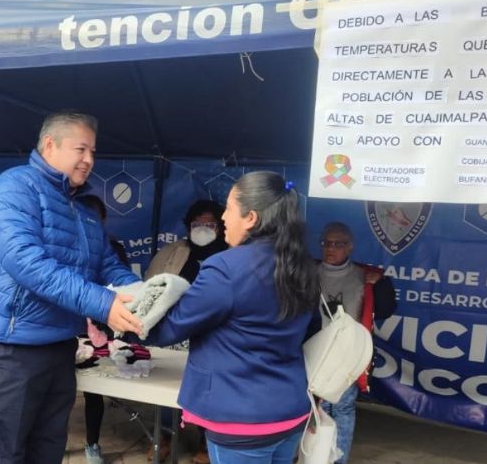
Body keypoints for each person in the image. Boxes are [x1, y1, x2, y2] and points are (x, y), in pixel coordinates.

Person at [0, 111, 143, 464]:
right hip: (6, 352)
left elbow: (107, 265)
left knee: (47, 450)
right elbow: (29, 264)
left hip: (59, 348)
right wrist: (104, 304)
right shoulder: (14, 189)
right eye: (81, 149)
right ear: (49, 145)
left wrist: (146, 294)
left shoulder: (82, 211)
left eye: (93, 151)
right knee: (1, 452)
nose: (89, 159)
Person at [140, 171, 319, 464]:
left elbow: (171, 328)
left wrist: (123, 319)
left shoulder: (225, 267)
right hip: (291, 412)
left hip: (241, 420)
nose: (223, 218)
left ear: (250, 218)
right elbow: (312, 330)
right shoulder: (302, 266)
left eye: (229, 209)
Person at [144, 199, 228, 463]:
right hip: (176, 333)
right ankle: (165, 436)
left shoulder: (230, 253)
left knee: (208, 390)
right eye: (197, 223)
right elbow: (152, 285)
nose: (202, 228)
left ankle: (205, 441)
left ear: (221, 226)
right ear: (188, 225)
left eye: (209, 224)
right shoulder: (173, 252)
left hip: (213, 335)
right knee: (168, 385)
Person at [316, 222, 397, 464]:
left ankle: (337, 459)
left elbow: (385, 310)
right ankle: (316, 456)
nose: (331, 248)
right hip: (314, 351)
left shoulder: (365, 277)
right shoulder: (308, 273)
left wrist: (381, 284)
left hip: (347, 353)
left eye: (338, 244)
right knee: (316, 407)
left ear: (350, 247)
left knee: (341, 407)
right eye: (327, 243)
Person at [76, 194, 128, 464]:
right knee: (60, 388)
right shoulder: (67, 248)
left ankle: (92, 444)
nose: (89, 223)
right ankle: (53, 439)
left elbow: (123, 286)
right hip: (69, 328)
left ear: (103, 220)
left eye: (94, 218)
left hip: (100, 326)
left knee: (93, 388)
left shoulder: (113, 250)